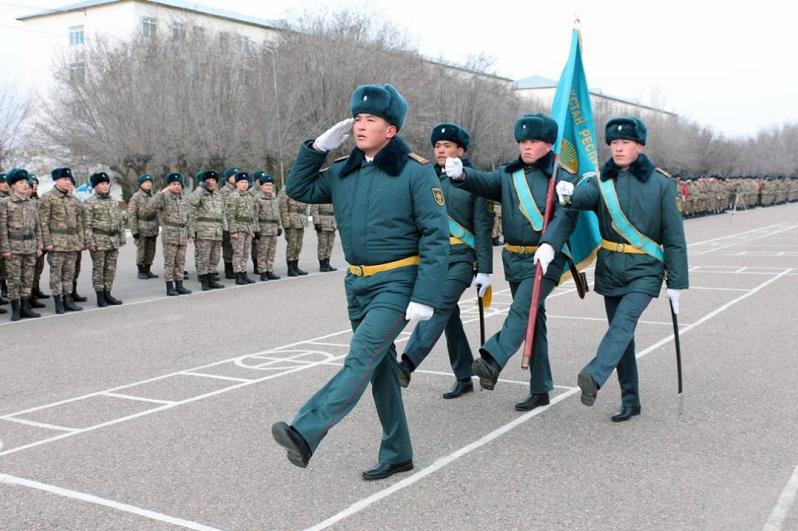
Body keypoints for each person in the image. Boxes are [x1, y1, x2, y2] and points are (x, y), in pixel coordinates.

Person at [272, 83, 449, 480]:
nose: (361, 125)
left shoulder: (415, 172)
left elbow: (437, 237)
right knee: (380, 367)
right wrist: (316, 149)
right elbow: (297, 189)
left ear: (392, 130)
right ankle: (398, 451)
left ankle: (305, 430)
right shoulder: (343, 172)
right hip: (357, 284)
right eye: (358, 119)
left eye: (371, 119)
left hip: (398, 282)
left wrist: (425, 295)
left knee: (359, 357)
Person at [555, 116, 688, 422]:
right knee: (622, 336)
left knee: (623, 323)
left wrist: (677, 282)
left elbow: (674, 238)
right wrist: (567, 194)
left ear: (639, 146)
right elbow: (580, 200)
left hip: (645, 269)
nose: (618, 148)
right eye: (614, 143)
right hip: (611, 268)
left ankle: (594, 374)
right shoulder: (601, 182)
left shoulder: (661, 184)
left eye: (625, 142)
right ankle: (631, 400)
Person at [445, 113, 577, 411]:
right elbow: (484, 182)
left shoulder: (562, 175)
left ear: (548, 143)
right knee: (533, 320)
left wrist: (550, 243)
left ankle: (492, 359)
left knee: (520, 311)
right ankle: (541, 387)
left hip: (545, 258)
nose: (526, 147)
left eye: (533, 141)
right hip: (514, 258)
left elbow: (568, 215)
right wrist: (461, 175)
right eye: (523, 141)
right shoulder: (509, 174)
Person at [396, 123, 493, 399]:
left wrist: (485, 270)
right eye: (438, 146)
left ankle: (407, 363)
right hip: (432, 259)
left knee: (437, 306)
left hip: (462, 259)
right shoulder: (425, 176)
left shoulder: (474, 181)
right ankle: (464, 376)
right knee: (450, 318)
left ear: (460, 150)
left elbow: (483, 226)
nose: (441, 150)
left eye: (447, 146)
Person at [0, 169, 43, 321]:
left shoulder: (31, 203)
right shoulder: (5, 203)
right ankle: (15, 309)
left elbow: (38, 227)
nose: (25, 185)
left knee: (27, 278)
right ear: (12, 185)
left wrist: (39, 246)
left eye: (26, 182)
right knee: (14, 280)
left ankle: (25, 307)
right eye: (21, 182)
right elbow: (2, 228)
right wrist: (5, 249)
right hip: (13, 247)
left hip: (30, 246)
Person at [41, 167, 85, 313]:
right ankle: (57, 300)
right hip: (56, 242)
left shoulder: (73, 199)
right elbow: (43, 222)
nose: (68, 182)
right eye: (64, 179)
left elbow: (79, 221)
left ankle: (68, 299)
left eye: (68, 179)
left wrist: (80, 240)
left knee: (69, 272)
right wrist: (47, 242)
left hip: (72, 242)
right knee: (56, 273)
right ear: (56, 180)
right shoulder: (48, 197)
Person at [146, 172, 192, 296]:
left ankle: (180, 285)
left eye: (178, 184)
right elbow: (150, 207)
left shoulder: (183, 199)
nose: (177, 186)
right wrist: (162, 192)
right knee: (170, 262)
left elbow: (188, 217)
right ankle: (169, 286)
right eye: (174, 184)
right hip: (170, 234)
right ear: (168, 185)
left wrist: (190, 233)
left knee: (180, 261)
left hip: (182, 233)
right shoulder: (164, 197)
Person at [84, 172, 125, 307]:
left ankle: (108, 293)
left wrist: (122, 236)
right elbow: (86, 225)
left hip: (113, 240)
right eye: (101, 183)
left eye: (106, 183)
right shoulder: (90, 203)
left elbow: (120, 221)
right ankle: (100, 296)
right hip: (99, 240)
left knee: (110, 269)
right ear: (95, 186)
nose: (105, 186)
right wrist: (90, 242)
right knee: (99, 269)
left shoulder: (113, 201)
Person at [189, 170, 225, 290]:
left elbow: (222, 212)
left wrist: (225, 228)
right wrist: (200, 188)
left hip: (217, 231)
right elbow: (192, 202)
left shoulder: (217, 195)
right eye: (209, 180)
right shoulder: (199, 193)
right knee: (204, 256)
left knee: (215, 256)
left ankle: (211, 278)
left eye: (214, 180)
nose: (211, 182)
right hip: (204, 230)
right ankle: (204, 280)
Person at [224, 171, 257, 285]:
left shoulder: (249, 196)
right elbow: (230, 215)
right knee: (238, 252)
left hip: (247, 227)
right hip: (238, 228)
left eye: (246, 182)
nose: (244, 184)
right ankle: (238, 274)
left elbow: (251, 215)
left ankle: (244, 273)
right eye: (242, 182)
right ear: (237, 183)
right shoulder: (233, 196)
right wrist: (232, 230)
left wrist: (252, 229)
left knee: (246, 252)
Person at [128, 174, 160, 279]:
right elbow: (132, 215)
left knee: (151, 250)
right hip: (141, 227)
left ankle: (148, 269)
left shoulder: (153, 195)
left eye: (150, 182)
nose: (149, 184)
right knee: (142, 250)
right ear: (141, 184)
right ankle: (141, 271)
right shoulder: (136, 197)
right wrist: (134, 231)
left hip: (152, 227)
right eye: (146, 182)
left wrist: (158, 225)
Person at [253, 171, 282, 280]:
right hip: (263, 229)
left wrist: (279, 226)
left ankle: (270, 270)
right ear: (261, 186)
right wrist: (256, 230)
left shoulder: (274, 199)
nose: (269, 187)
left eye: (270, 185)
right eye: (266, 185)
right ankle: (263, 272)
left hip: (273, 229)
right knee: (262, 252)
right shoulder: (257, 199)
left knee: (271, 251)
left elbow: (277, 214)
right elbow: (254, 215)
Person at [279, 184, 309, 276]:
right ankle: (290, 268)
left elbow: (305, 205)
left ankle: (296, 266)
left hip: (301, 221)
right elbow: (283, 208)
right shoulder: (285, 190)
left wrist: (305, 219)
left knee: (298, 245)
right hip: (291, 221)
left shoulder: (301, 188)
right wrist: (286, 224)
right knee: (292, 245)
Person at [28, 174, 50, 302]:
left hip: (39, 238)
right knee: (28, 270)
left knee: (38, 267)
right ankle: (28, 295)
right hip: (26, 241)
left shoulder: (38, 200)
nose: (35, 186)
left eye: (36, 183)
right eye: (32, 183)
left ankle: (35, 289)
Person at [219, 167, 239, 279]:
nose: (235, 178)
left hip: (238, 222)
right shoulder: (225, 190)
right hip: (227, 222)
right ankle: (228, 269)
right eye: (233, 176)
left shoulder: (238, 189)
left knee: (237, 247)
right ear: (228, 178)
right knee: (228, 247)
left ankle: (236, 268)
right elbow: (224, 209)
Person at [311, 203, 337, 272]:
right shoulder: (319, 196)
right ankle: (322, 264)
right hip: (322, 223)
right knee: (323, 244)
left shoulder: (332, 196)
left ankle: (327, 262)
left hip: (332, 223)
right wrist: (317, 223)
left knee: (330, 244)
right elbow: (314, 209)